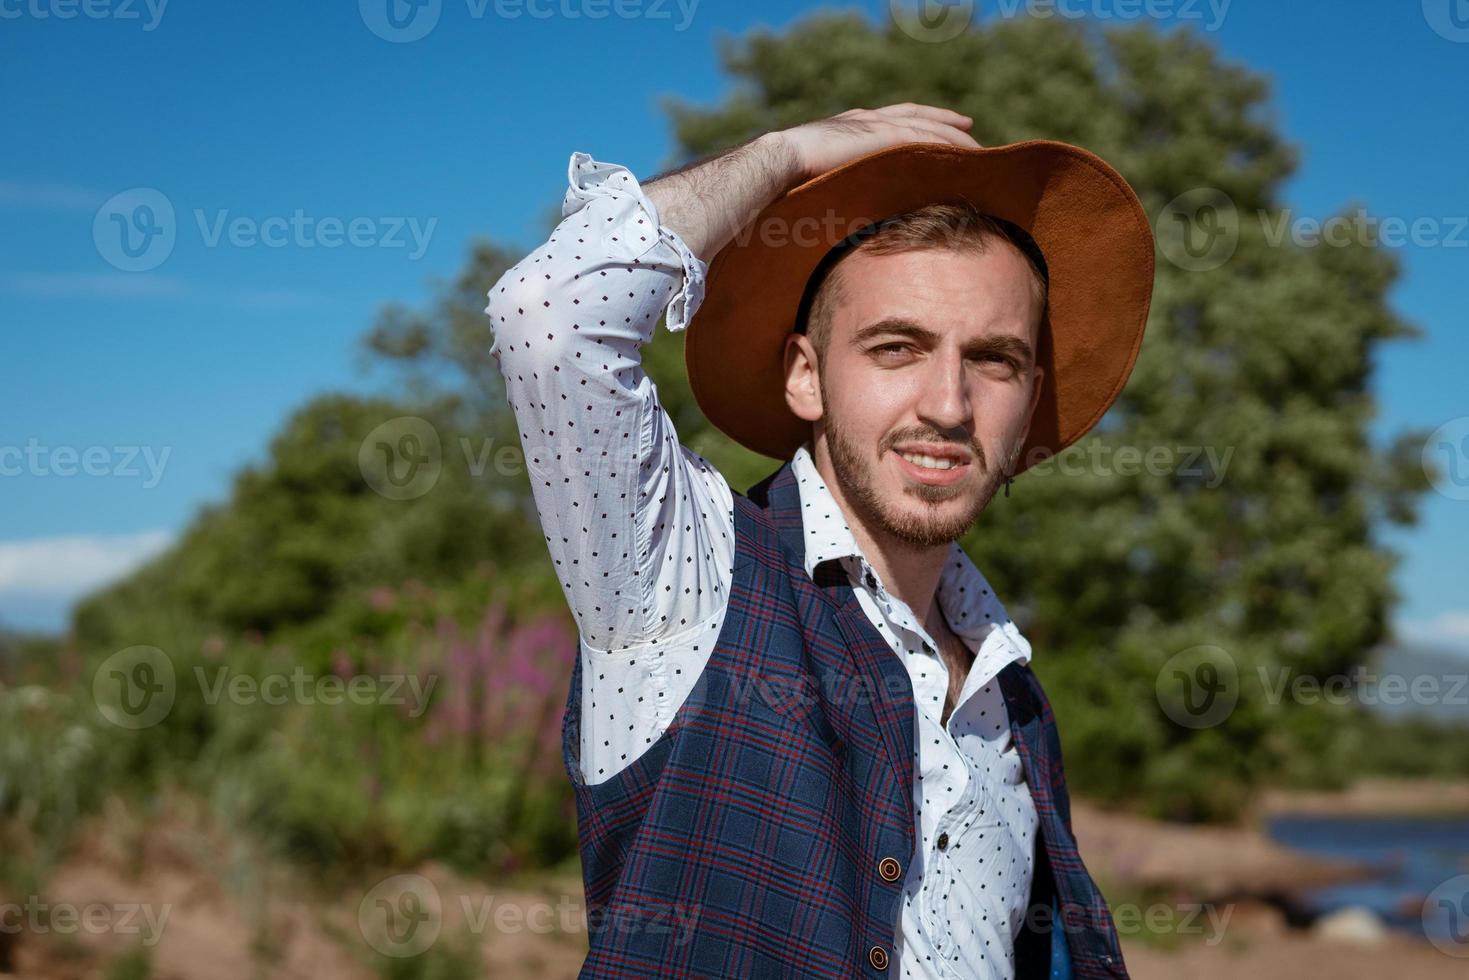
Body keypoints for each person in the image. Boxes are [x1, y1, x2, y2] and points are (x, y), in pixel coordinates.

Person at [486, 103, 1154, 979]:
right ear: (805, 375)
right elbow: (546, 316)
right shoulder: (691, 575)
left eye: (993, 359)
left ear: (1029, 395)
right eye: (896, 348)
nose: (948, 406)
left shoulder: (1012, 691)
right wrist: (783, 153)